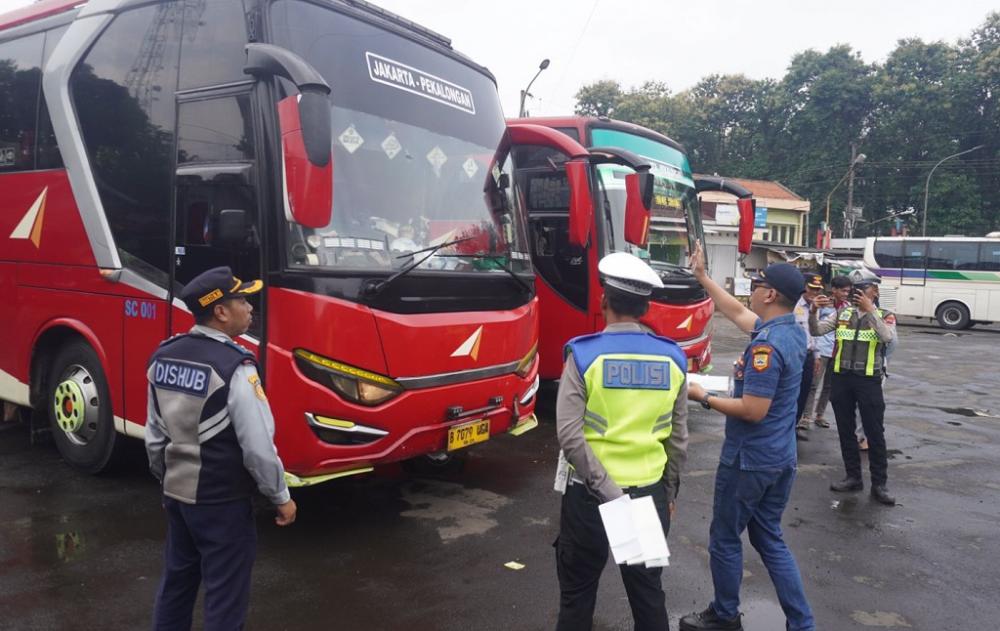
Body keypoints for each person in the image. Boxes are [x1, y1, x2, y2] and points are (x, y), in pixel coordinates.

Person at [145, 266, 297, 631]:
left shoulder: (163, 355)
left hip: (178, 496)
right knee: (225, 598)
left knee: (176, 585)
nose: (250, 308)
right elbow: (258, 447)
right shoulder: (237, 367)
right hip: (223, 503)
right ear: (220, 311)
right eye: (242, 300)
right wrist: (280, 496)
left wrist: (167, 484)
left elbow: (155, 436)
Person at [679, 241, 815, 631]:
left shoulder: (767, 347)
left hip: (749, 459)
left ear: (770, 294)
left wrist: (703, 396)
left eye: (756, 285)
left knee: (724, 537)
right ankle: (802, 623)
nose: (750, 291)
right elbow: (736, 311)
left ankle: (724, 615)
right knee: (769, 537)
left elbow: (754, 410)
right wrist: (703, 278)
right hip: (780, 458)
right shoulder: (791, 331)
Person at [554, 252, 689, 631]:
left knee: (578, 596)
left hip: (591, 497)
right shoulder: (674, 359)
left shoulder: (582, 355)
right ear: (646, 306)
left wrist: (607, 491)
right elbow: (678, 439)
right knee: (647, 596)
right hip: (648, 495)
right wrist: (670, 494)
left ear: (603, 300)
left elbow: (569, 434)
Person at [809, 268, 897, 505]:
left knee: (874, 432)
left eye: (863, 289)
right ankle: (853, 477)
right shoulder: (843, 313)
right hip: (842, 379)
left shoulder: (885, 314)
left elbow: (887, 338)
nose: (857, 293)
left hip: (868, 381)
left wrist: (870, 312)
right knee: (846, 431)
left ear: (874, 291)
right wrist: (813, 311)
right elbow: (816, 330)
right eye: (855, 289)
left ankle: (880, 484)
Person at [799, 275, 849, 432]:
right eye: (843, 290)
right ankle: (806, 416)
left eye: (848, 291)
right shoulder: (822, 304)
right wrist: (817, 352)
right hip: (823, 349)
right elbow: (814, 327)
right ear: (834, 290)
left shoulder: (847, 307)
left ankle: (819, 415)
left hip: (838, 351)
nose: (846, 294)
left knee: (829, 386)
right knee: (813, 384)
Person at [793, 273, 821, 440]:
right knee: (792, 392)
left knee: (804, 392)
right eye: (812, 289)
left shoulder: (815, 307)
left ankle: (794, 427)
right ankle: (785, 428)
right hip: (796, 355)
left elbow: (814, 333)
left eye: (818, 290)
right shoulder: (794, 305)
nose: (815, 293)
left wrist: (817, 355)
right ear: (804, 287)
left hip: (809, 356)